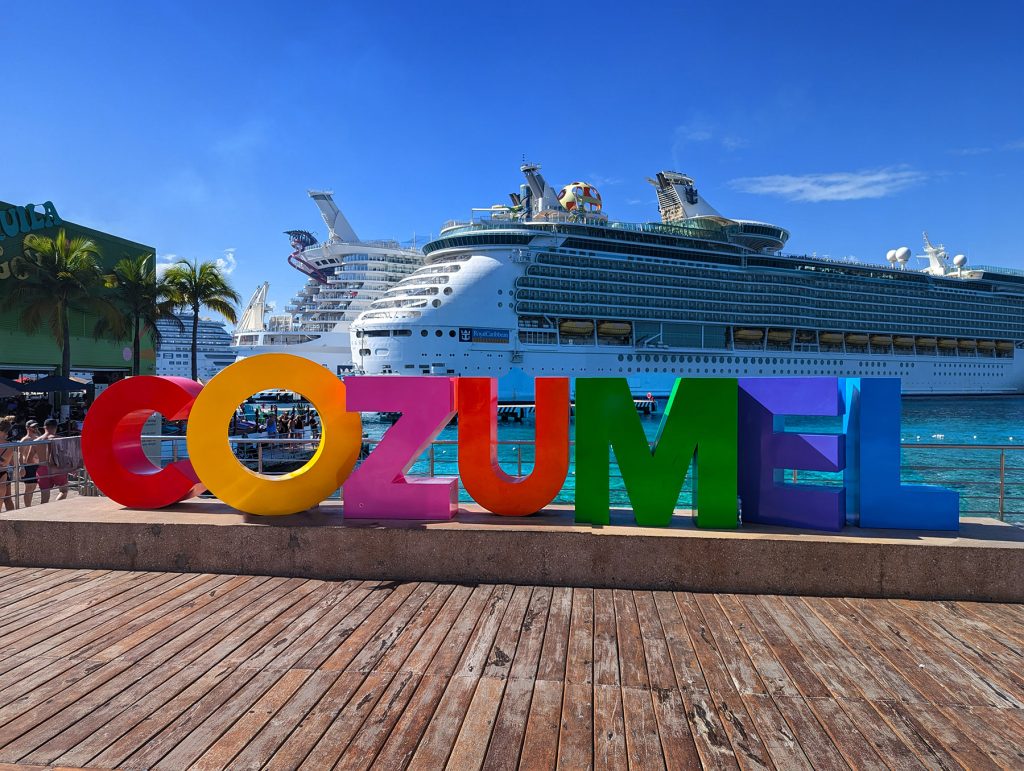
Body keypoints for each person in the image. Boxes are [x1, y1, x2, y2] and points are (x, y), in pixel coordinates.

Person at [36, 419, 69, 502]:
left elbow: (29, 459)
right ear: (56, 428)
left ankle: (44, 513)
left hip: (43, 468)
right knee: (63, 491)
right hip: (58, 468)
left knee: (44, 497)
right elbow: (67, 456)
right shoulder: (61, 439)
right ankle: (56, 505)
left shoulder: (36, 441)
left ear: (44, 427)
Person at [19, 420, 45, 507]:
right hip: (29, 466)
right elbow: (20, 455)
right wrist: (21, 467)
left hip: (38, 465)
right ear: (27, 428)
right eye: (33, 427)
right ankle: (27, 507)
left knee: (34, 488)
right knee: (29, 488)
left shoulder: (38, 437)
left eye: (36, 426)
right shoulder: (24, 440)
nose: (35, 428)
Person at [0, 416, 16, 511]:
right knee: (7, 499)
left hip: (4, 474)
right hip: (3, 474)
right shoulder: (9, 445)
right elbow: (8, 462)